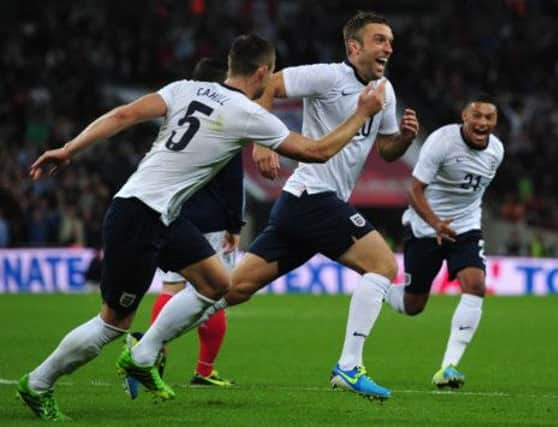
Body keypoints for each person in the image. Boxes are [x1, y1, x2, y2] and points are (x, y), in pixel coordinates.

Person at [17, 34, 386, 421]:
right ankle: (38, 383)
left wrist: (68, 149)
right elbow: (317, 152)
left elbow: (123, 115)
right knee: (113, 323)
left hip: (160, 213)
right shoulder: (249, 113)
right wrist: (361, 114)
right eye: (270, 75)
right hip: (139, 217)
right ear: (263, 72)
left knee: (218, 284)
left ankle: (143, 354)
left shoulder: (184, 87)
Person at [203, 11, 418, 400]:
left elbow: (386, 150)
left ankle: (146, 344)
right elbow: (269, 83)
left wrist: (403, 138)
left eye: (390, 41)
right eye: (379, 40)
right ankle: (349, 367)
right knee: (383, 265)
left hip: (306, 204)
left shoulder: (383, 90)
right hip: (312, 196)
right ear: (354, 48)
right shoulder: (328, 76)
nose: (389, 47)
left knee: (233, 290)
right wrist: (265, 140)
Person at [127, 58, 238, 397]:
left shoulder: (179, 112)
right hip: (212, 220)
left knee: (173, 287)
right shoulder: (226, 118)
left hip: (171, 214)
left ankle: (148, 347)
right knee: (218, 291)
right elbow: (234, 178)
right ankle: (193, 365)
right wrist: (236, 223)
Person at [385, 93, 504, 389]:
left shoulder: (497, 150)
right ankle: (379, 288)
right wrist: (435, 222)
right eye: (477, 116)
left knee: (476, 285)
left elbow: (472, 193)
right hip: (425, 228)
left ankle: (448, 368)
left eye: (489, 118)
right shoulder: (441, 142)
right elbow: (414, 190)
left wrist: (459, 223)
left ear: (495, 122)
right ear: (464, 117)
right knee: (414, 305)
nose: (482, 122)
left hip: (465, 228)